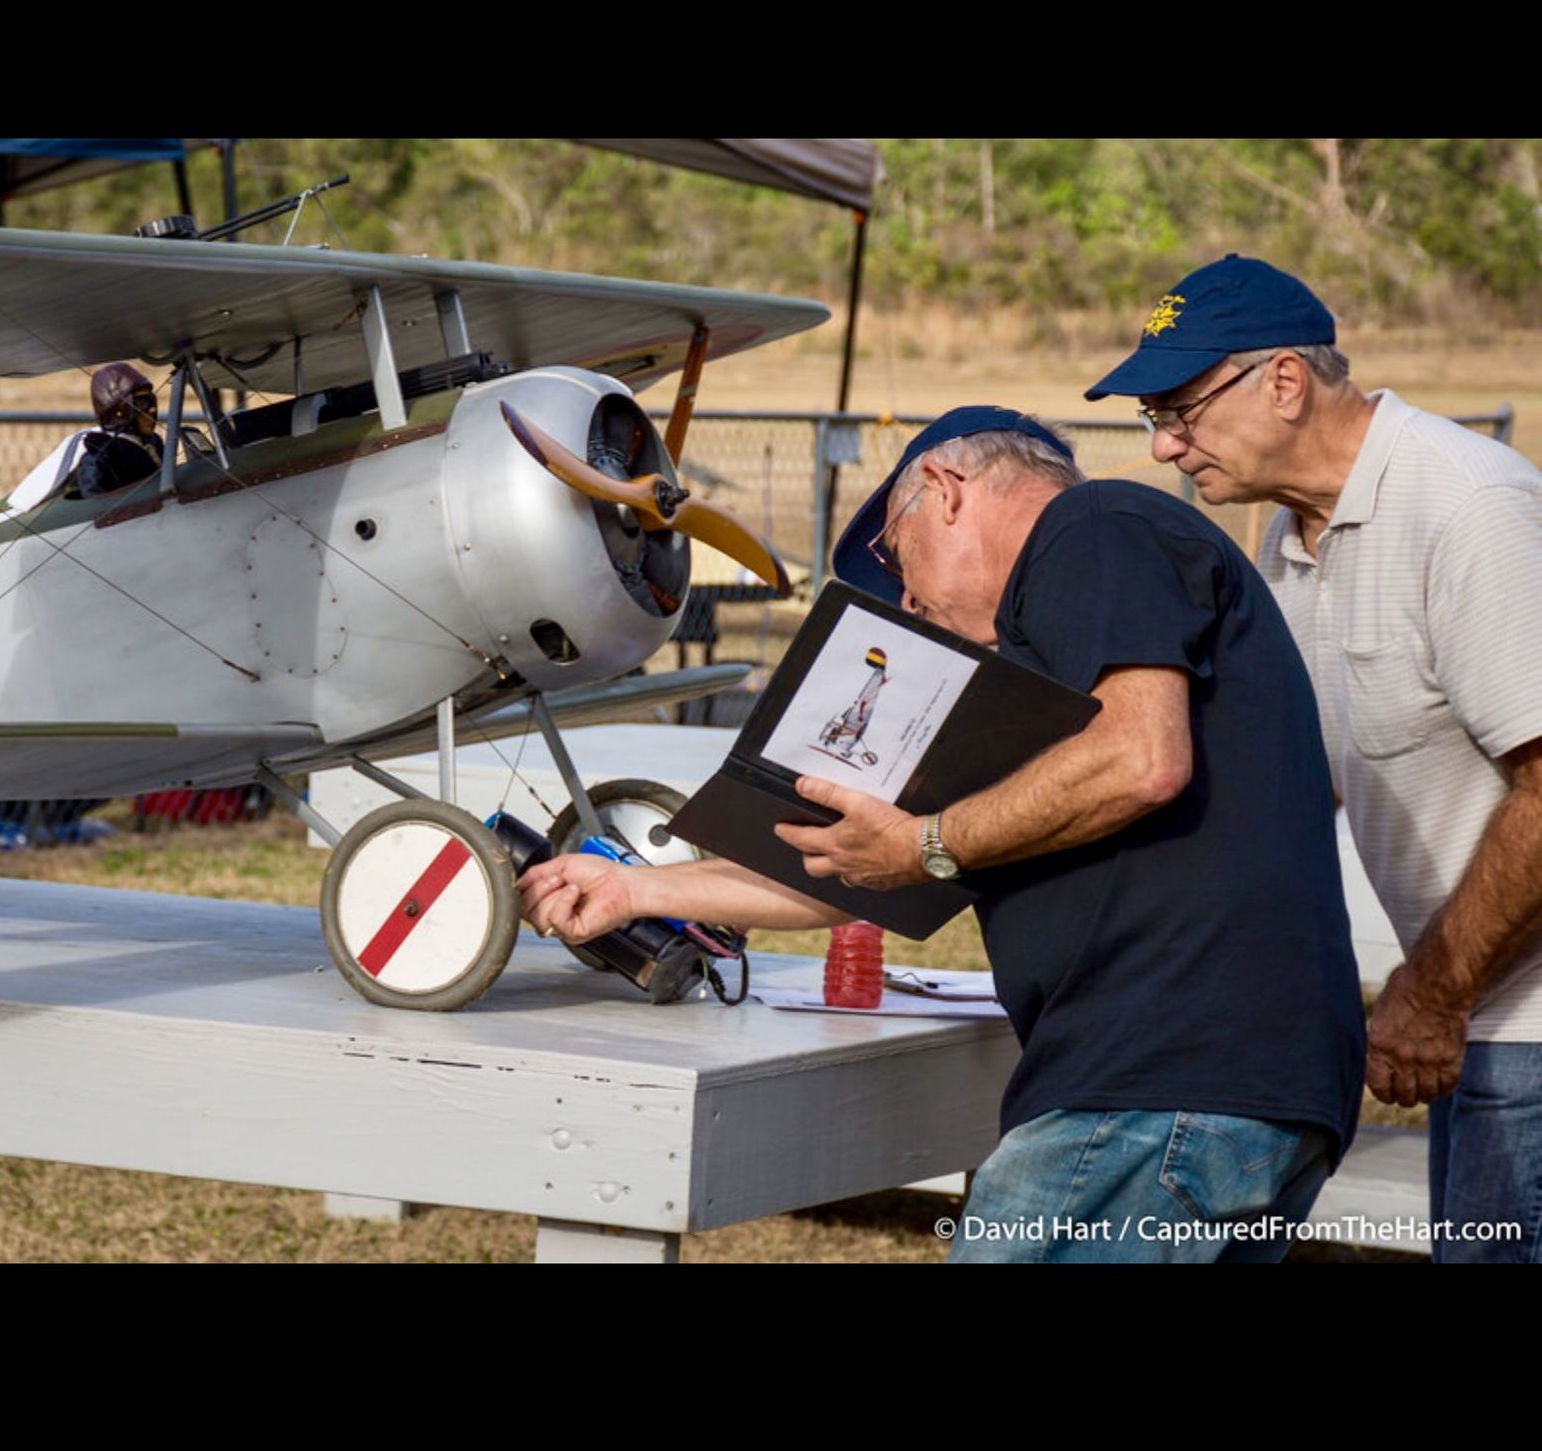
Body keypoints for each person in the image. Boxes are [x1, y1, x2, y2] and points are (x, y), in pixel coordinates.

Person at [519, 406, 1367, 1262]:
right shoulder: (1038, 689)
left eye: (897, 556)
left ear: (946, 488)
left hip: (1156, 1087)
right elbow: (848, 865)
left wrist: (927, 841)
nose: (907, 601)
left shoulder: (1096, 521)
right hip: (1236, 1099)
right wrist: (635, 889)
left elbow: (1141, 760)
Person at [1086, 254, 1542, 1263]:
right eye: (1152, 418)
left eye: (1179, 411)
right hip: (1484, 1014)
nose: (1163, 447)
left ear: (1284, 382)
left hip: (1521, 1026)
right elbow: (1298, 783)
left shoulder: (1467, 508)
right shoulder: (1292, 544)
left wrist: (1433, 991)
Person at [69, 362, 164, 498]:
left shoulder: (153, 444)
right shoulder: (100, 458)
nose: (152, 409)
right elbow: (95, 504)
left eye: (152, 401)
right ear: (119, 409)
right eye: (142, 402)